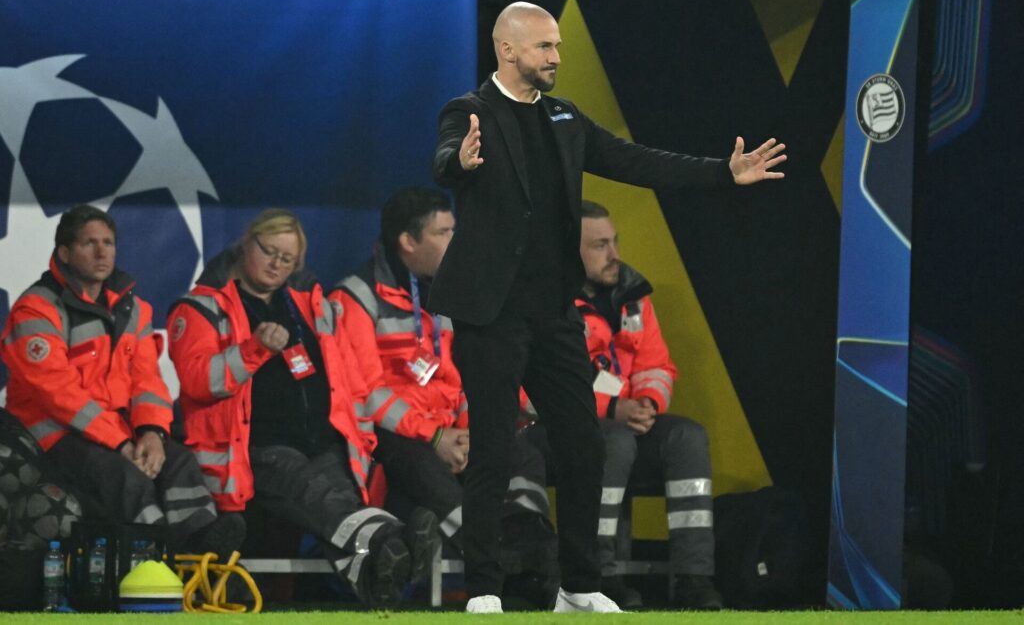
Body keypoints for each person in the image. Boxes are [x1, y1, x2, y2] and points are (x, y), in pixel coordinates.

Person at [431, 1, 786, 613]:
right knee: (493, 446)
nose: (557, 58)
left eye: (559, 46)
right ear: (508, 50)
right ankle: (482, 589)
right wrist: (457, 164)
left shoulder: (566, 118)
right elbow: (445, 161)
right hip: (490, 312)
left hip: (552, 313)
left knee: (585, 445)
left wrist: (723, 175)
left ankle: (579, 587)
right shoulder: (470, 112)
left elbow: (635, 160)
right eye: (545, 47)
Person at [167, 209, 439, 607]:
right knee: (322, 502)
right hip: (256, 448)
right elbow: (198, 381)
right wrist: (253, 349)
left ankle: (381, 589)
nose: (277, 264)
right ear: (247, 244)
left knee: (344, 520)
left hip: (326, 441)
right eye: (270, 251)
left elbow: (344, 377)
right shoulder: (202, 307)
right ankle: (394, 538)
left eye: (288, 259)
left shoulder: (309, 304)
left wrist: (357, 437)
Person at [330, 187, 556, 602]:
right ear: (408, 242)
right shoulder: (355, 297)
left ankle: (531, 555)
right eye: (444, 232)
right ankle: (494, 560)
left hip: (453, 433)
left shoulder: (451, 291)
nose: (456, 241)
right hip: (395, 440)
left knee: (520, 452)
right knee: (418, 462)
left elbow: (463, 376)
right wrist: (434, 437)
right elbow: (363, 394)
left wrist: (472, 430)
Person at [0, 204, 240, 557]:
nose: (102, 252)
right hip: (53, 435)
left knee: (179, 462)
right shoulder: (36, 308)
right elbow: (58, 394)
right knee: (125, 476)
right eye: (89, 244)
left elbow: (147, 381)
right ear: (64, 253)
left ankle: (202, 548)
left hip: (118, 431)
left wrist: (153, 435)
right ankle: (156, 553)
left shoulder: (134, 308)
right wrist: (120, 444)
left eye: (108, 243)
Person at [530, 199, 722, 610]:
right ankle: (595, 577)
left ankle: (694, 577)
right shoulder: (546, 301)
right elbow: (538, 387)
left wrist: (648, 401)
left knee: (687, 437)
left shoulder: (634, 295)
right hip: (552, 433)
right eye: (600, 245)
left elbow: (657, 364)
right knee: (613, 440)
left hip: (625, 423)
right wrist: (611, 406)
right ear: (569, 251)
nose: (614, 254)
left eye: (614, 242)